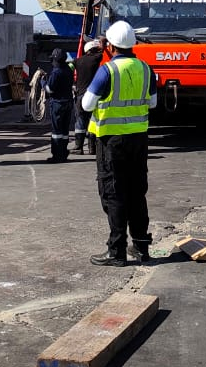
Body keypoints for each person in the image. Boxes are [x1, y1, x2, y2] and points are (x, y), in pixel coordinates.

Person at [80, 19, 157, 267]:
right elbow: (153, 103)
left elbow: (86, 105)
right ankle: (142, 248)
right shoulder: (146, 69)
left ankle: (117, 252)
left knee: (114, 195)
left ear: (110, 46)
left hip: (112, 141)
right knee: (137, 193)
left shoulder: (107, 71)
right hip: (139, 140)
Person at [70, 37, 105, 154]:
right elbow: (102, 50)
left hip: (80, 95)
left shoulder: (77, 61)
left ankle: (78, 147)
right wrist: (102, 42)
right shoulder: (96, 59)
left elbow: (69, 67)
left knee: (80, 121)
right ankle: (92, 148)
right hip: (92, 95)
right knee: (93, 121)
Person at [44, 47, 74, 163]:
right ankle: (64, 153)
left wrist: (43, 83)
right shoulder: (68, 70)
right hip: (68, 102)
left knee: (57, 131)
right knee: (65, 131)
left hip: (57, 103)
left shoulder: (56, 72)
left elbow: (50, 89)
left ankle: (57, 155)